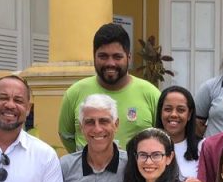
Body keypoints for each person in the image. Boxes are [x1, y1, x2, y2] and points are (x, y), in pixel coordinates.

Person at [58, 23, 161, 152]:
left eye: (117, 57)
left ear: (128, 57)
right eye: (103, 56)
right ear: (94, 56)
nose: (110, 63)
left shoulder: (151, 94)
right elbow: (66, 136)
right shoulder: (75, 93)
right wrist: (87, 158)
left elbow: (162, 139)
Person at [155, 85, 201, 181]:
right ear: (160, 112)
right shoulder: (146, 146)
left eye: (181, 110)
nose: (174, 114)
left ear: (189, 114)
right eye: (168, 109)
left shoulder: (203, 147)